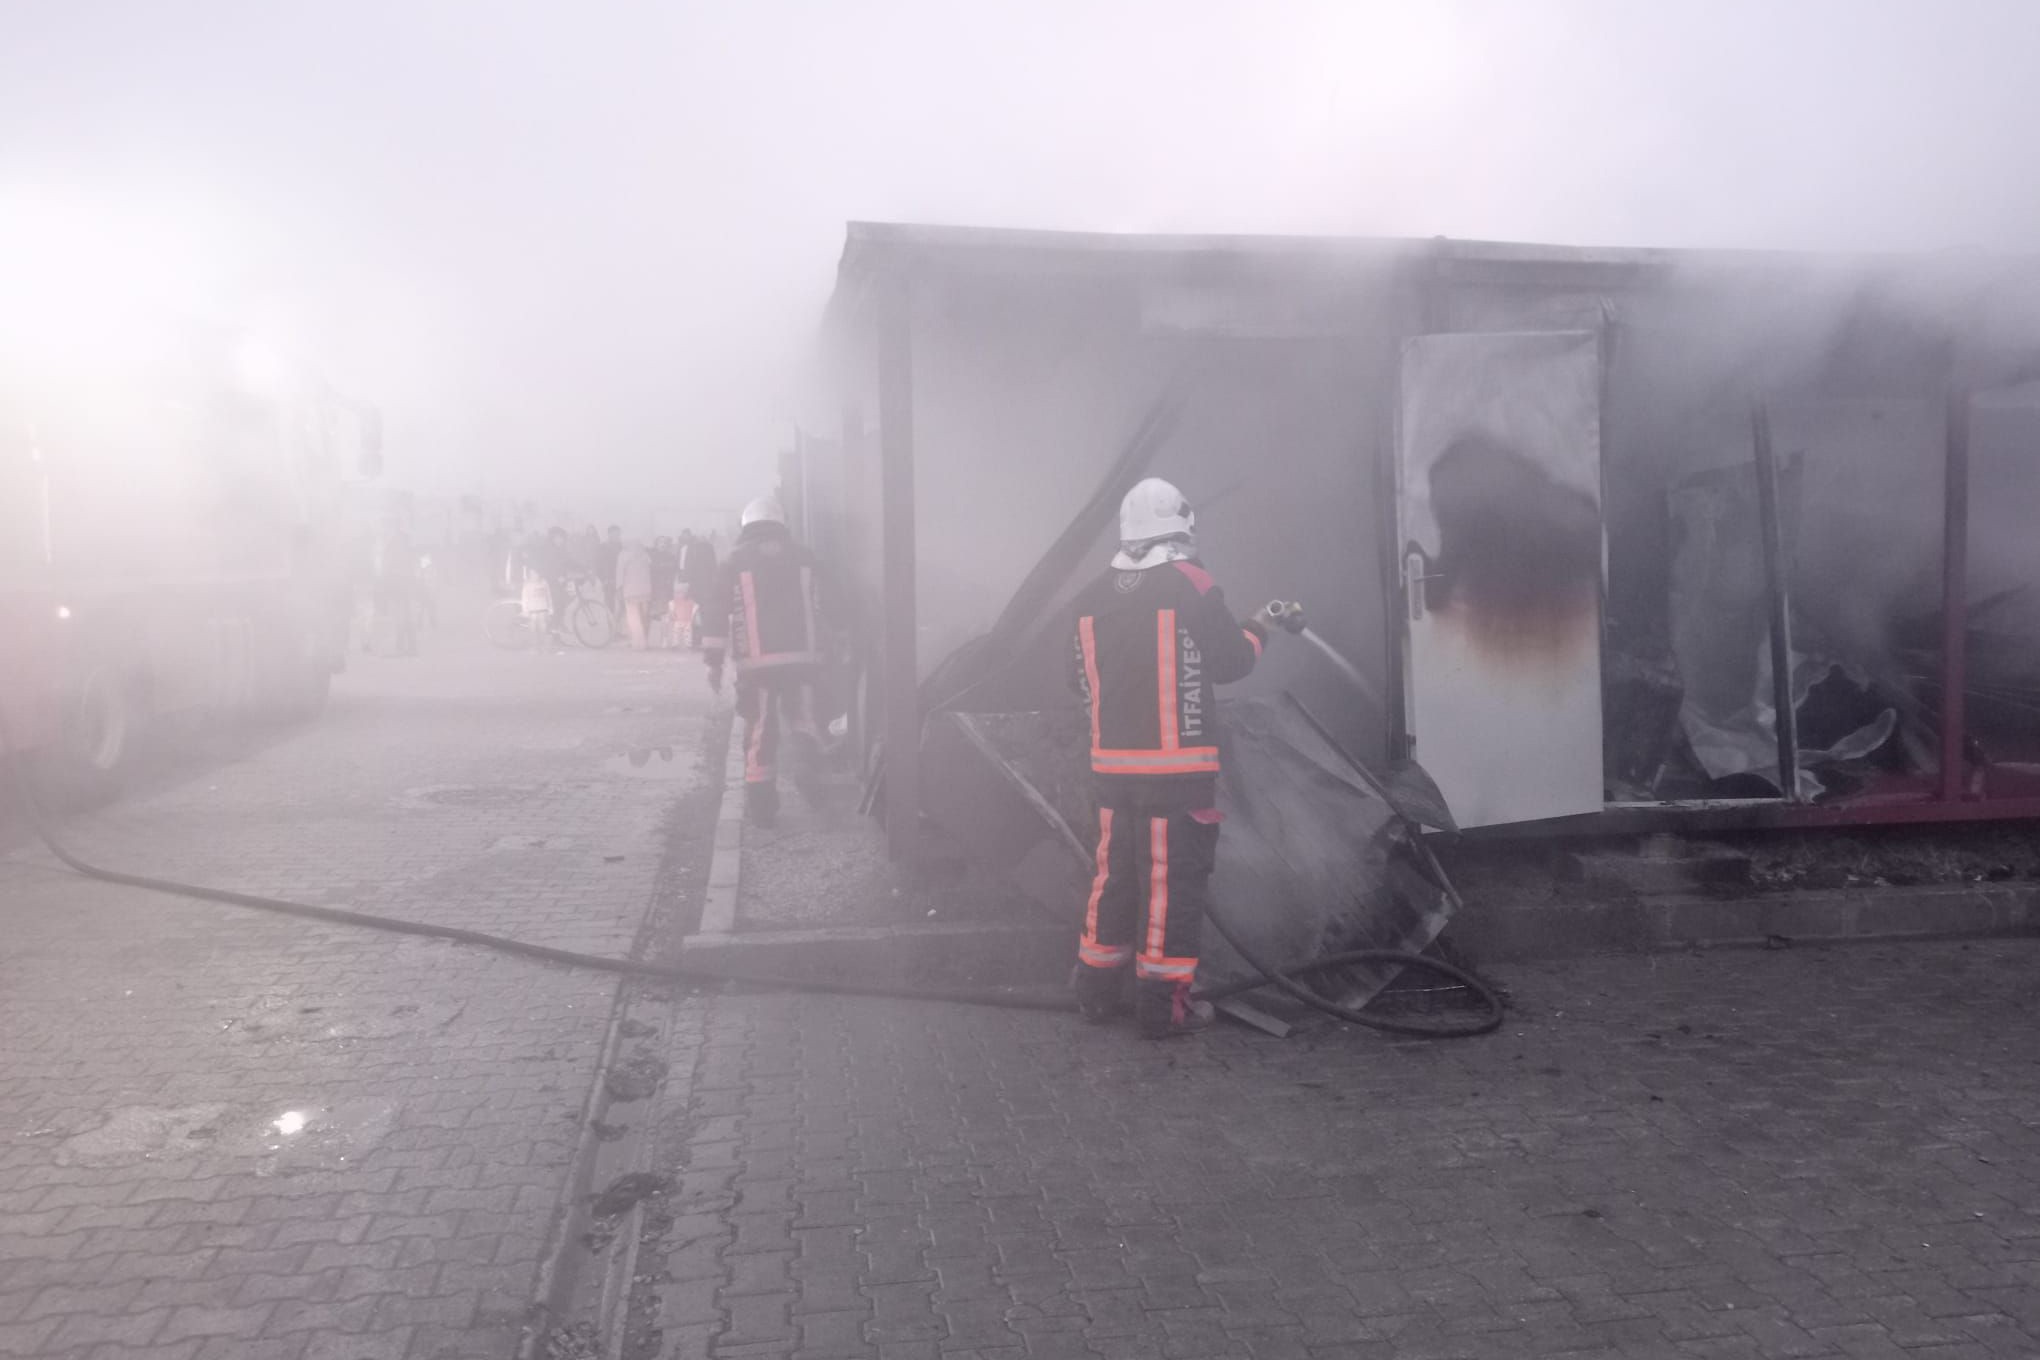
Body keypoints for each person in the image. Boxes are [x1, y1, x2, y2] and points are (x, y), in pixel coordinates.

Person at [1068, 477, 1277, 1038]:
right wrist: (1262, 626)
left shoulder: (1090, 595)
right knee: (1167, 885)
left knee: (1113, 879)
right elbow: (1232, 661)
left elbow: (1076, 679)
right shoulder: (1192, 584)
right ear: (1181, 528)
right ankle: (1161, 1011)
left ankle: (1094, 995)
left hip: (1111, 771)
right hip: (1175, 772)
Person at [701, 497, 822, 826]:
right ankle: (808, 768)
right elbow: (826, 600)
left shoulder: (734, 561)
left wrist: (713, 662)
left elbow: (714, 612)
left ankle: (763, 807)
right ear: (781, 523)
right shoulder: (805, 556)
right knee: (806, 720)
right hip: (804, 659)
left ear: (746, 524)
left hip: (758, 665)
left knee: (759, 733)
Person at [678, 528, 719, 650]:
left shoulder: (691, 548)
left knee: (694, 613)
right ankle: (705, 637)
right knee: (706, 613)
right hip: (707, 585)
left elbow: (687, 567)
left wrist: (684, 580)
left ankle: (695, 639)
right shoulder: (709, 548)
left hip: (695, 585)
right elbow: (714, 566)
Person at [616, 538, 654, 650]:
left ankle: (637, 642)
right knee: (643, 616)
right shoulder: (645, 555)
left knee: (633, 617)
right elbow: (650, 568)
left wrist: (619, 588)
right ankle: (644, 642)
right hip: (645, 590)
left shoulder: (623, 555)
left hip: (630, 590)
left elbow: (620, 573)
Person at [648, 537, 678, 647]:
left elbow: (674, 570)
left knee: (665, 615)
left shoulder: (671, 557)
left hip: (666, 589)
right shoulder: (652, 556)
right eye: (660, 542)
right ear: (656, 544)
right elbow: (650, 570)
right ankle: (651, 639)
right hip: (655, 589)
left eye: (664, 543)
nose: (662, 545)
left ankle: (664, 639)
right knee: (654, 616)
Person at [597, 524, 624, 620]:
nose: (616, 536)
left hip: (620, 579)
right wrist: (603, 579)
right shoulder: (603, 547)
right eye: (614, 534)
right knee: (609, 605)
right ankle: (612, 629)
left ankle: (617, 626)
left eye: (618, 534)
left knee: (623, 604)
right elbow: (598, 565)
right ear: (609, 534)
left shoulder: (621, 546)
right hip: (608, 580)